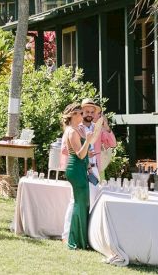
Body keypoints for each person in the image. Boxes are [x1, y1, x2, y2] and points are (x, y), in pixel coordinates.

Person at [62, 102, 100, 249]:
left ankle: (81, 238)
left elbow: (83, 154)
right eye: (79, 113)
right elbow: (79, 154)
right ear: (72, 115)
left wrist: (89, 168)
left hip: (81, 168)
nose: (82, 115)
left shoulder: (77, 130)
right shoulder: (71, 131)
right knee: (79, 203)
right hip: (75, 169)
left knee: (83, 203)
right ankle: (73, 240)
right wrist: (89, 141)